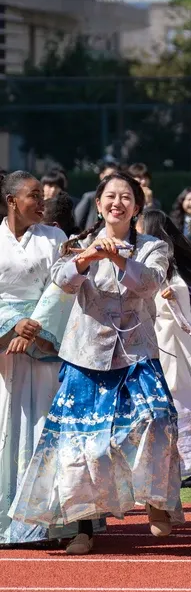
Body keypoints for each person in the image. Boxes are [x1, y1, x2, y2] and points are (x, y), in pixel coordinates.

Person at [10, 171, 180, 555]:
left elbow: (150, 283)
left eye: (126, 197)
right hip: (85, 355)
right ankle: (82, 528)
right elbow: (62, 280)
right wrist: (89, 256)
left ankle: (155, 499)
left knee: (157, 418)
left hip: (137, 353)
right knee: (81, 446)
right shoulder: (78, 244)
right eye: (110, 196)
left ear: (137, 207)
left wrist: (119, 258)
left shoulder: (152, 246)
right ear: (99, 203)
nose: (117, 203)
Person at [0, 172, 77, 546]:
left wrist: (36, 328)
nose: (42, 201)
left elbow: (63, 289)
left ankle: (48, 520)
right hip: (4, 352)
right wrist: (13, 324)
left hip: (45, 349)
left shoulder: (56, 238)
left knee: (45, 424)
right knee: (5, 427)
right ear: (11, 201)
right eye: (33, 195)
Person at [137, 210, 191, 481]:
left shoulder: (169, 265)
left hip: (169, 341)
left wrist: (174, 294)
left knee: (179, 394)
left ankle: (189, 461)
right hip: (148, 339)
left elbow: (184, 297)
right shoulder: (140, 258)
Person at [73, 164, 119, 231]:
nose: (113, 178)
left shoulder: (119, 200)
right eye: (110, 175)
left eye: (116, 176)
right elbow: (77, 221)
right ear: (101, 175)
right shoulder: (90, 197)